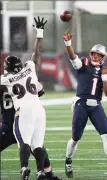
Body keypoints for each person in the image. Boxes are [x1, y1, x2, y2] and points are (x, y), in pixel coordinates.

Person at [63, 29, 107, 179]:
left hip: (96, 106)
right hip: (81, 104)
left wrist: (105, 77)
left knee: (106, 135)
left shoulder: (106, 70)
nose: (95, 56)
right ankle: (68, 160)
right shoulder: (84, 63)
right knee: (75, 138)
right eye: (93, 53)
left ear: (103, 57)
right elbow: (72, 56)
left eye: (98, 55)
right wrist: (68, 43)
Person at [1, 16, 48, 180]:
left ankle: (24, 168)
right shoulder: (30, 67)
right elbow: (37, 53)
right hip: (39, 109)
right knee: (38, 145)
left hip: (24, 110)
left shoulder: (5, 79)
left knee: (24, 143)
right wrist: (39, 33)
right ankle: (41, 172)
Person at [0, 82, 61, 180]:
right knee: (38, 148)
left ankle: (44, 174)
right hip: (23, 122)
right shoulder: (22, 79)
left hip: (7, 125)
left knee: (38, 149)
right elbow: (40, 91)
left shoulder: (4, 81)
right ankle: (49, 175)